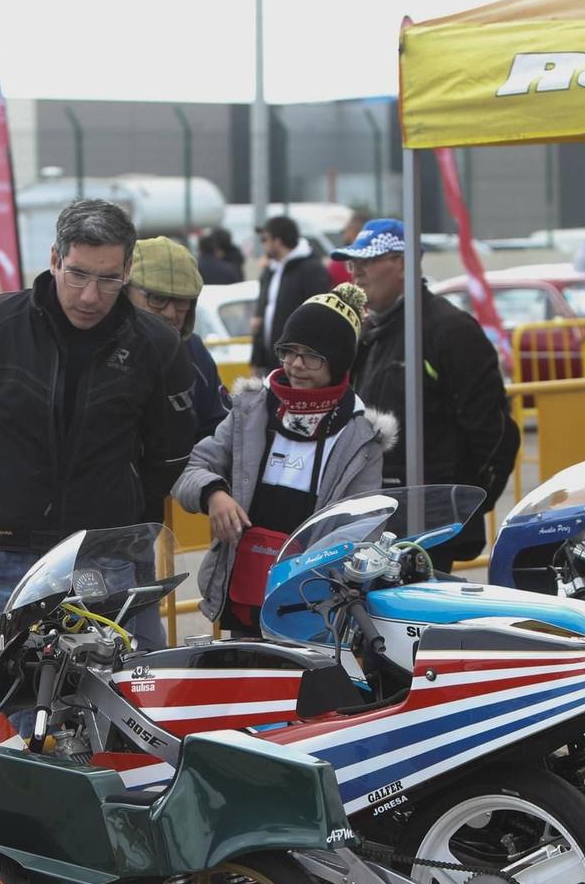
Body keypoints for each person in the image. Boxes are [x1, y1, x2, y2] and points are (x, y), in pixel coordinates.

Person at [0, 198, 196, 739]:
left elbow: (167, 453)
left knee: (109, 721)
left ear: (126, 273)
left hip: (103, 559)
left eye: (107, 280)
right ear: (53, 259)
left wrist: (120, 525)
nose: (90, 295)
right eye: (77, 275)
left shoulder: (157, 347)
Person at [173, 282, 390, 634]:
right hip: (243, 595)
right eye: (289, 352)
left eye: (311, 356)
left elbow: (365, 526)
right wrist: (214, 494)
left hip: (313, 605)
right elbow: (192, 468)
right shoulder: (250, 411)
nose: (296, 365)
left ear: (337, 363)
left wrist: (306, 567)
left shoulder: (360, 436)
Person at [339, 218, 512, 569]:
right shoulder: (369, 330)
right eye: (351, 261)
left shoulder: (449, 330)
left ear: (402, 263)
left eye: (368, 260)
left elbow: (493, 432)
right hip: (373, 515)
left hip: (429, 525)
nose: (356, 271)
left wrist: (459, 500)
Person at [126, 236, 227, 443]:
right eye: (157, 298)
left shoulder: (195, 353)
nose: (171, 313)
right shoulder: (98, 353)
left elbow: (220, 434)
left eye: (182, 301)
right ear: (126, 291)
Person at [250, 215, 332, 372]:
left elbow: (318, 315)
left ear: (278, 241)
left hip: (297, 365)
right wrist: (257, 357)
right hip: (269, 362)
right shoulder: (271, 269)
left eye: (265, 239)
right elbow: (262, 315)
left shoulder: (311, 269)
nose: (263, 245)